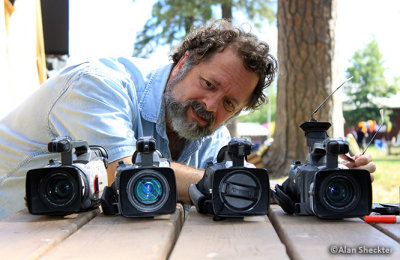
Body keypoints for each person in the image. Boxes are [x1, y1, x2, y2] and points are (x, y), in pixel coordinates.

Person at [0, 19, 376, 219]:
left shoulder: (212, 135)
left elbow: (239, 193)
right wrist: (238, 185)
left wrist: (318, 181)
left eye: (229, 102)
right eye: (208, 84)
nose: (212, 106)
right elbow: (125, 173)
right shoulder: (97, 85)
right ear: (182, 63)